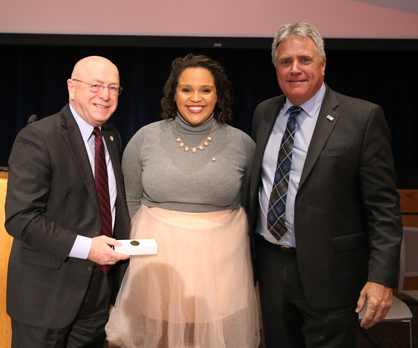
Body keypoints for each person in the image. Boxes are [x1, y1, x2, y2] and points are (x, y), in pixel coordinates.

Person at [249, 22, 403, 347]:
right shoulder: (264, 113)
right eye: (285, 62)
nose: (295, 70)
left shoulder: (362, 118)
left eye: (304, 60)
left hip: (333, 275)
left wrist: (381, 279)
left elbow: (384, 210)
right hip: (272, 266)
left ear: (322, 63)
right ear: (276, 67)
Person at [106, 54, 260, 348]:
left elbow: (250, 207)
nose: (195, 98)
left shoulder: (243, 144)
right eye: (186, 89)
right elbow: (129, 201)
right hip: (155, 268)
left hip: (222, 272)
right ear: (173, 93)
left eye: (206, 89)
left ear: (219, 95)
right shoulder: (145, 138)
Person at [5, 56, 131, 348]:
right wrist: (89, 248)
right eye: (96, 85)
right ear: (71, 88)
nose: (106, 95)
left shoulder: (111, 137)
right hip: (45, 297)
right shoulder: (38, 137)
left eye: (114, 88)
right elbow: (21, 218)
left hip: (97, 294)